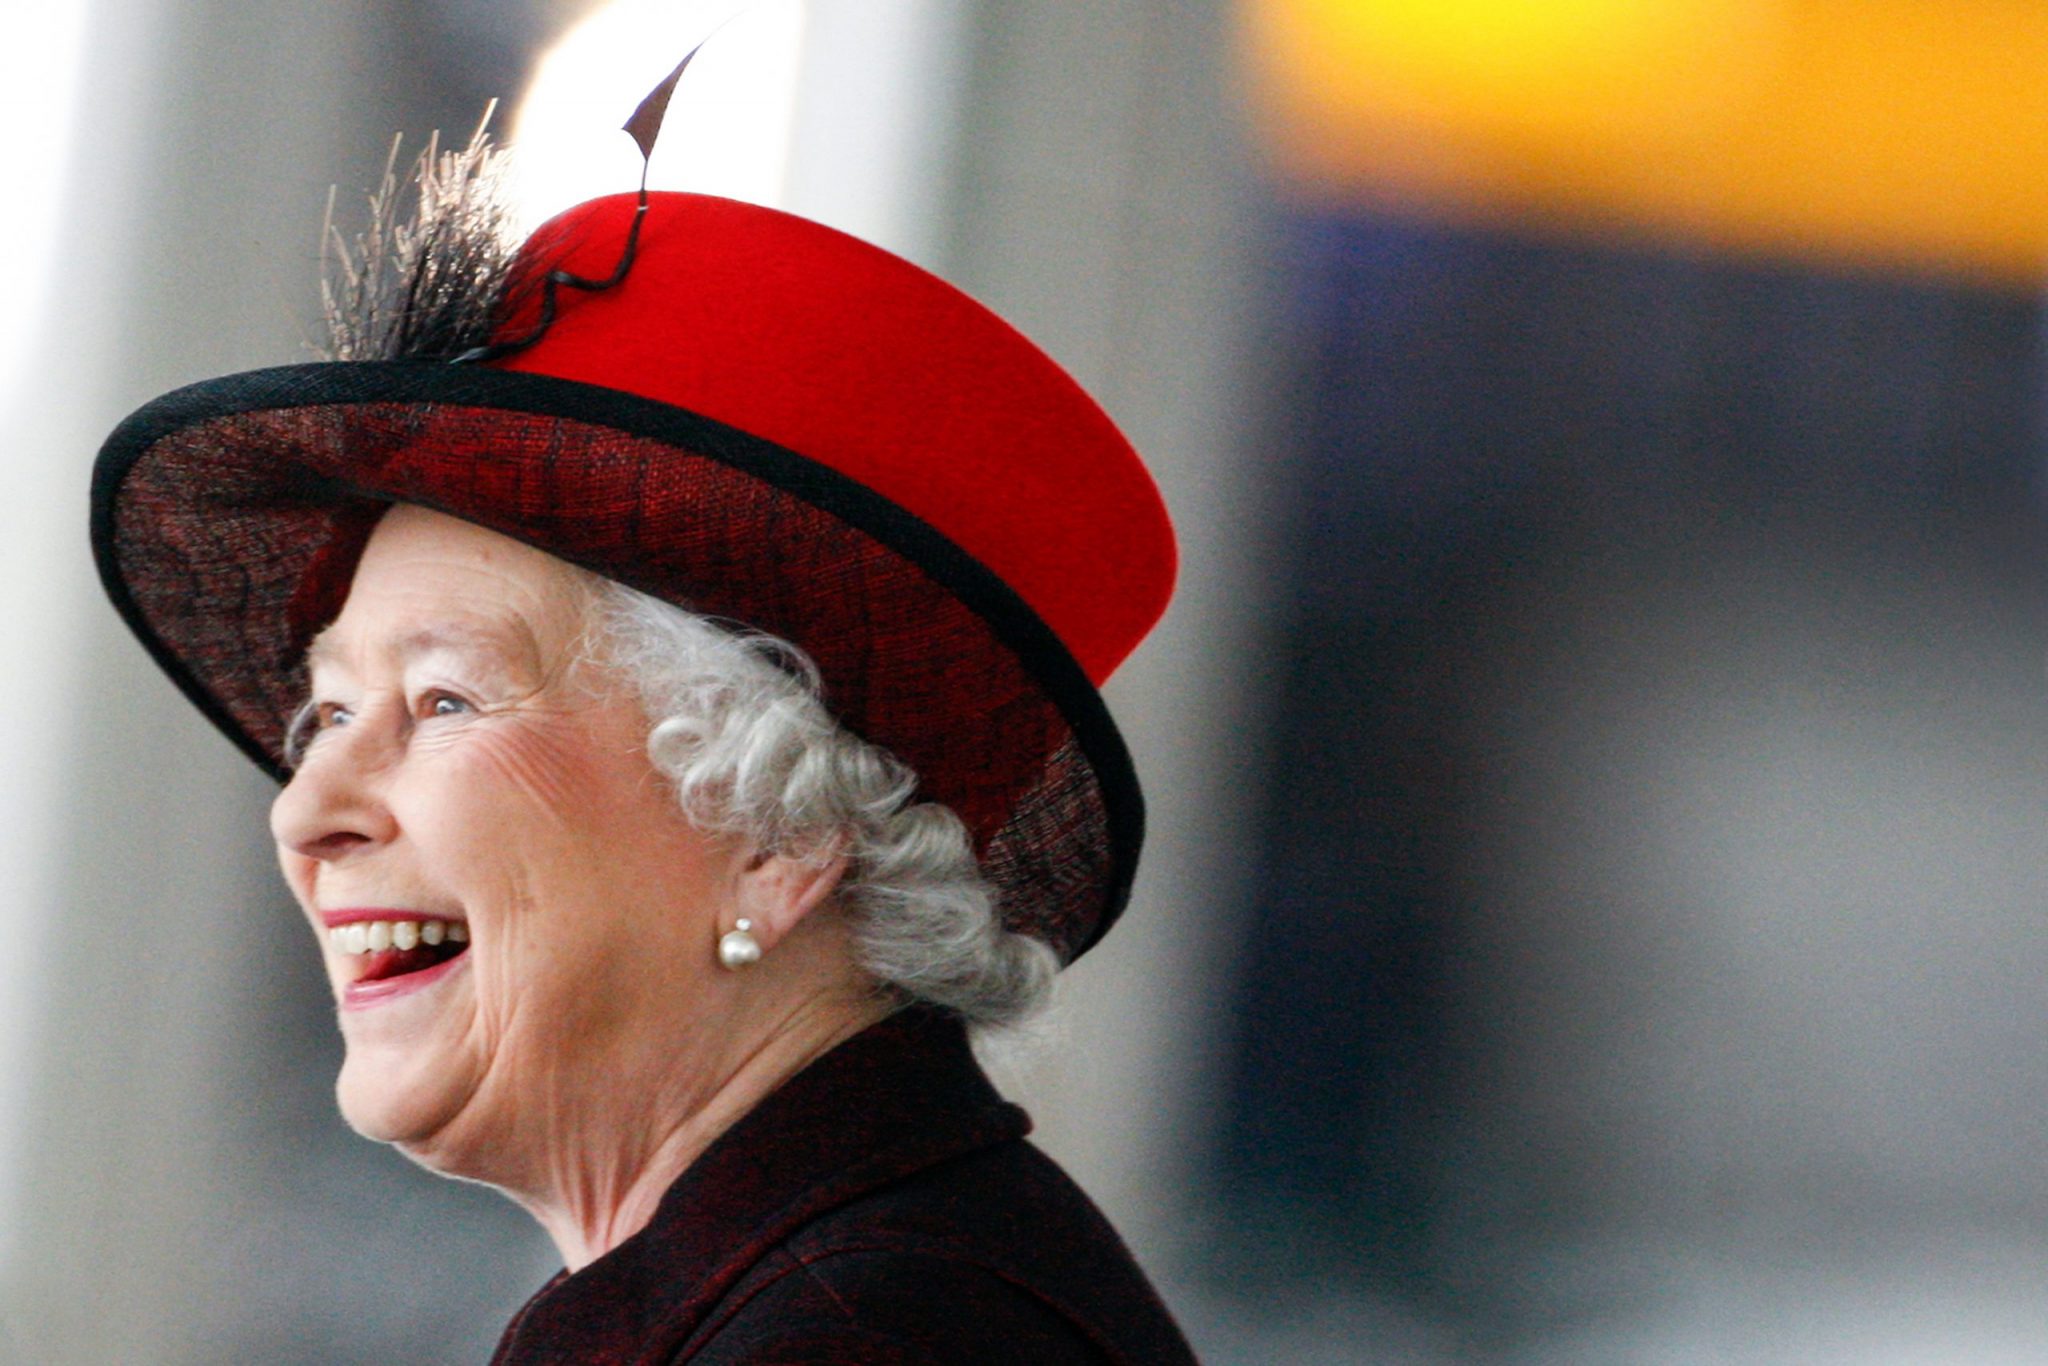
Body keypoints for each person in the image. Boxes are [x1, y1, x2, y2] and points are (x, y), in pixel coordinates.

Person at [89, 131, 1196, 1363]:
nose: (307, 813)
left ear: (779, 833)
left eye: (445, 701)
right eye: (330, 714)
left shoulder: (872, 1336)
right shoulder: (812, 1286)